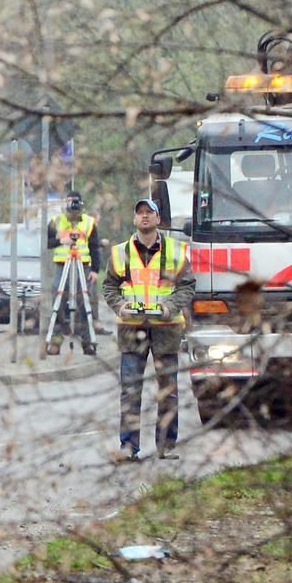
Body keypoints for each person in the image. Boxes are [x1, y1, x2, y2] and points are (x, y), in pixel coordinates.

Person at [103, 197, 192, 463]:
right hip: (131, 330)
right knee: (130, 390)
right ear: (134, 219)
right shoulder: (120, 253)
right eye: (139, 213)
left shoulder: (176, 251)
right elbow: (109, 287)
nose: (144, 217)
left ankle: (166, 445)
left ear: (157, 219)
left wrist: (171, 307)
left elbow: (187, 287)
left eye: (149, 213)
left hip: (166, 330)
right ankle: (129, 447)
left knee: (169, 391)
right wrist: (120, 306)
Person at [45, 190, 102, 354]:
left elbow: (94, 247)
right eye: (69, 202)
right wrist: (61, 241)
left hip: (82, 266)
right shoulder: (56, 221)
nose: (72, 206)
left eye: (75, 202)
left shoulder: (89, 223)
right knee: (58, 299)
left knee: (84, 303)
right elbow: (47, 242)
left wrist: (95, 269)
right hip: (63, 266)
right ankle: (55, 340)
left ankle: (87, 341)